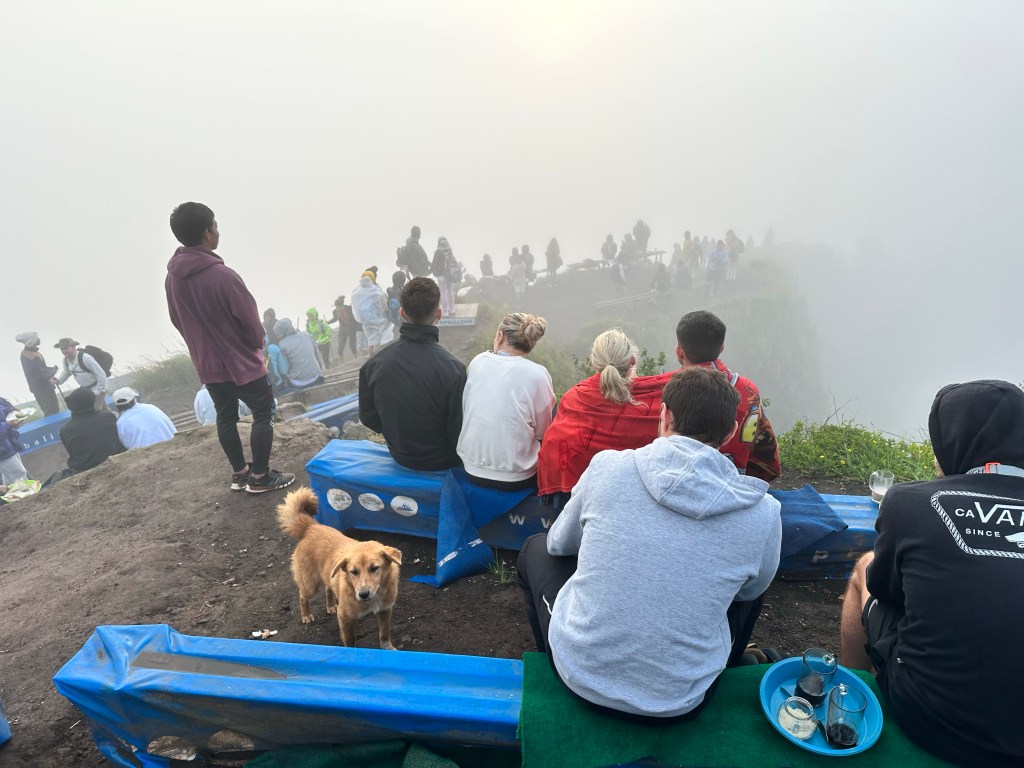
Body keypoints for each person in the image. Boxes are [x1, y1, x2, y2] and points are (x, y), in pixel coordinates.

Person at [517, 367, 781, 721]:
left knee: (535, 548)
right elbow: (750, 591)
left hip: (580, 678)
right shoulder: (764, 512)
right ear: (731, 431)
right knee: (748, 585)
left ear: (665, 414)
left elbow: (559, 544)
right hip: (683, 699)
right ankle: (730, 664)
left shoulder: (607, 468)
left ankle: (551, 658)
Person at [839, 380, 1024, 768]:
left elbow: (885, 589)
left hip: (938, 721)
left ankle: (850, 693)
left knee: (865, 568)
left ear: (951, 442)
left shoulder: (911, 501)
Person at [165, 201, 294, 494]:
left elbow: (177, 319)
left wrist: (199, 347)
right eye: (215, 225)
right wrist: (254, 346)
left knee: (225, 416)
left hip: (207, 365)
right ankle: (261, 476)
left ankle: (240, 473)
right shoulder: (224, 276)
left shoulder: (172, 279)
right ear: (206, 232)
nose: (217, 230)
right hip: (241, 364)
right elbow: (252, 327)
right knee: (263, 412)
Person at [536, 329, 673, 507]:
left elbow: (554, 444)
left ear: (594, 363)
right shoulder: (661, 396)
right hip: (636, 500)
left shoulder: (575, 397)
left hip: (573, 497)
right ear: (632, 361)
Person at [358, 277, 466, 471]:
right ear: (439, 314)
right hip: (444, 459)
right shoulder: (454, 368)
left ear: (402, 313)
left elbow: (368, 417)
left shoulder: (374, 364)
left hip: (400, 455)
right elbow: (458, 429)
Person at [674, 311, 780, 481]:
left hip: (677, 481)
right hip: (733, 482)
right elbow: (766, 458)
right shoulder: (748, 391)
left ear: (679, 351)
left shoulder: (667, 390)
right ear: (722, 347)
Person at [457, 313, 555, 489]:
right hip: (517, 476)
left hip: (470, 468)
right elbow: (543, 432)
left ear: (500, 336)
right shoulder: (538, 374)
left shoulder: (478, 362)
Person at [58, 387, 125, 475]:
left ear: (71, 406)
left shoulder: (65, 430)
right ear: (92, 400)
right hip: (116, 459)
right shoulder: (108, 416)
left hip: (86, 469)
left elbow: (73, 453)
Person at [52, 338, 108, 411]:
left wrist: (98, 391)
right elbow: (66, 372)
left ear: (73, 347)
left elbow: (101, 374)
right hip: (85, 391)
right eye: (62, 349)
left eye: (66, 348)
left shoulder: (86, 358)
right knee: (94, 411)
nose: (64, 351)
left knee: (99, 410)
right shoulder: (66, 360)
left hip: (96, 388)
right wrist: (59, 380)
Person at [112, 387, 176, 449]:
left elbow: (126, 444)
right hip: (173, 445)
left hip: (147, 453)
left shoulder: (120, 423)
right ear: (134, 399)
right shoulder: (151, 407)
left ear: (117, 405)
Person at [16, 331, 60, 416]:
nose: (38, 339)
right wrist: (54, 370)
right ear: (31, 341)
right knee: (53, 413)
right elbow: (42, 376)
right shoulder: (34, 356)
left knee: (48, 412)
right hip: (45, 390)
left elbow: (38, 370)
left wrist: (50, 369)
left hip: (36, 389)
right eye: (36, 338)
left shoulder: (24, 353)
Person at [273, 318, 324, 389]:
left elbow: (285, 369)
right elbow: (317, 354)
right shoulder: (306, 334)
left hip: (299, 382)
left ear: (282, 331)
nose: (277, 335)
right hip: (317, 377)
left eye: (277, 333)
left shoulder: (282, 344)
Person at [351, 270, 390, 355]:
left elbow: (354, 306)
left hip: (364, 322)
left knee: (371, 340)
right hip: (376, 319)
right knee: (377, 340)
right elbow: (383, 304)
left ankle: (370, 358)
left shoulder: (356, 292)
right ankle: (375, 358)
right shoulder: (375, 291)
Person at [0, 397, 29, 485]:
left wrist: (10, 410)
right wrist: (8, 424)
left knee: (10, 478)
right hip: (2, 450)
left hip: (7, 444)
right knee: (18, 476)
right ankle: (25, 493)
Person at [431, 237, 458, 317]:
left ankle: (445, 311)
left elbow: (434, 264)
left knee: (443, 292)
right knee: (450, 291)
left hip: (441, 275)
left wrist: (432, 271)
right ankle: (452, 309)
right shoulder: (449, 250)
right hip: (449, 274)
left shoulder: (438, 251)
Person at [328, 295, 358, 363]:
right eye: (336, 307)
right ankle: (342, 361)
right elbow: (335, 319)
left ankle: (356, 358)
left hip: (351, 327)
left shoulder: (348, 308)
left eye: (338, 307)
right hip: (342, 328)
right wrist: (328, 322)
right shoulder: (335, 311)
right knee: (341, 344)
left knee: (352, 344)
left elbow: (354, 317)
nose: (337, 308)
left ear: (342, 305)